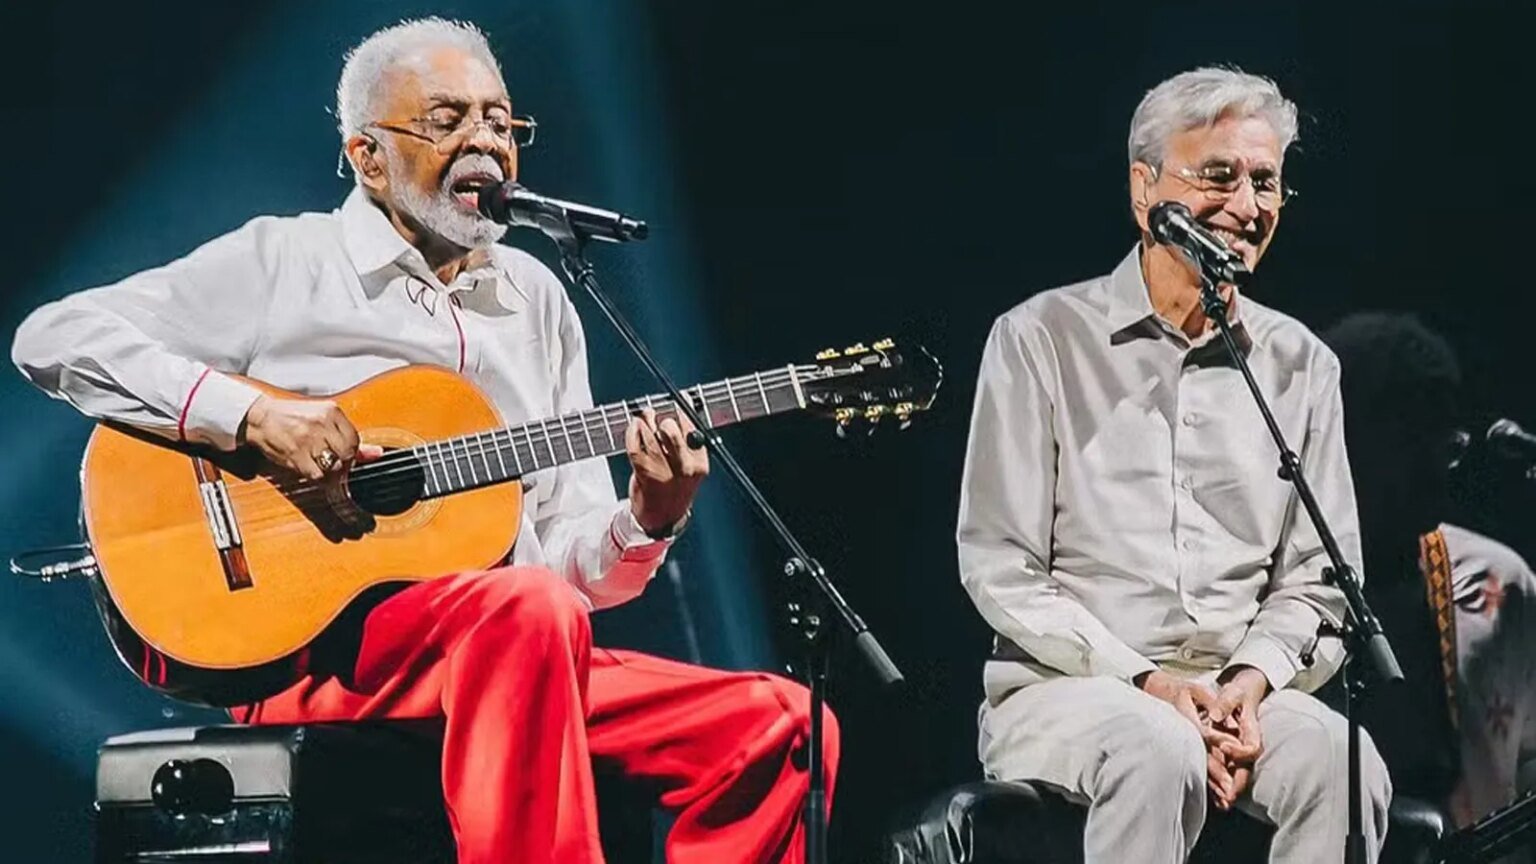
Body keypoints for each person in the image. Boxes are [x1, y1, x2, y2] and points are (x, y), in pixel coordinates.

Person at [11, 18, 836, 864]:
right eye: (448, 119)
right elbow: (53, 336)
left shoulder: (537, 298)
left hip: (509, 657)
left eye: (500, 120)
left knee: (779, 728)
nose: (485, 139)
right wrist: (253, 418)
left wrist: (647, 519)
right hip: (313, 651)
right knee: (527, 611)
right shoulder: (288, 260)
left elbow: (567, 572)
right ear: (368, 155)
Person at [957, 66, 1392, 862]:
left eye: (1267, 182)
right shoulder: (1040, 339)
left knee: (1345, 760)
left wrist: (1249, 686)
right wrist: (1150, 684)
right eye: (1219, 176)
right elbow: (1001, 566)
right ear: (1142, 188)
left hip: (1238, 692)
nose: (1247, 206)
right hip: (1070, 691)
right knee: (1158, 746)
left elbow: (1319, 582)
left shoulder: (1301, 364)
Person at [1325, 312, 1536, 848]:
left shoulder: (1497, 583)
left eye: (1451, 440)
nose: (1442, 462)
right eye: (1413, 436)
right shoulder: (1272, 582)